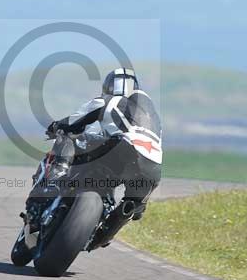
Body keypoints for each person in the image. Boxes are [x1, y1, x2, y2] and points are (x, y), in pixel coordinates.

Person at [22, 67, 162, 251]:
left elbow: (73, 122)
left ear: (108, 86)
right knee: (132, 209)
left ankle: (55, 178)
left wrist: (55, 126)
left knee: (66, 135)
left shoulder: (107, 100)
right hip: (152, 168)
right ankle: (106, 232)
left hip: (119, 148)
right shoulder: (153, 117)